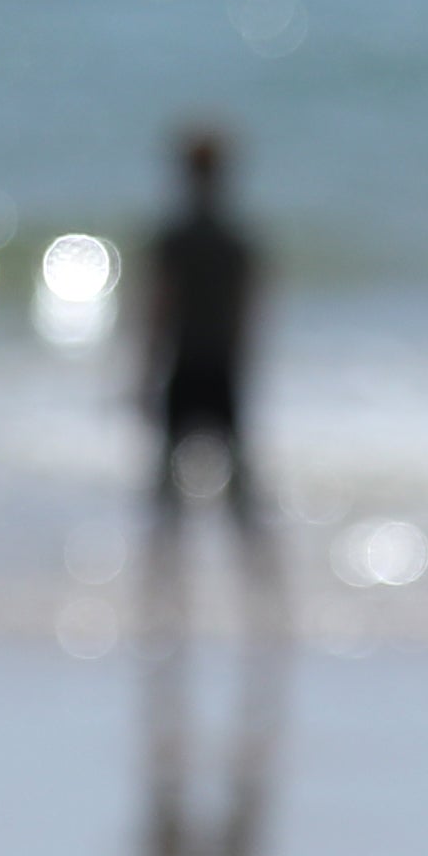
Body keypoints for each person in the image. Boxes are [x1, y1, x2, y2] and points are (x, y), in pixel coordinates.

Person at [134, 122, 274, 595]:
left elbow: (158, 313)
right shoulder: (236, 243)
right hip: (220, 369)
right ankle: (260, 592)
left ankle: (164, 594)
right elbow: (248, 318)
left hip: (187, 367)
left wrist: (144, 374)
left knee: (171, 494)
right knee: (236, 492)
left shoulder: (175, 240)